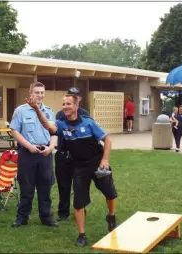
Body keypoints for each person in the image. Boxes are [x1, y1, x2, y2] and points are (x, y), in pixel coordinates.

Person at [27, 93, 118, 247]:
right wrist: (36, 108)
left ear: (76, 106)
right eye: (63, 104)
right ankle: (81, 234)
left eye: (68, 104)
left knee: (109, 193)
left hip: (97, 163)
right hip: (79, 166)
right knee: (78, 203)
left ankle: (111, 216)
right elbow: (47, 126)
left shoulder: (88, 123)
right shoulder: (61, 123)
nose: (65, 107)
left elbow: (107, 140)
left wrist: (105, 159)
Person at [9, 82, 58, 228]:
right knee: (26, 187)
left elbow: (54, 132)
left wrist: (51, 147)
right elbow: (14, 131)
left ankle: (46, 217)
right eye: (37, 92)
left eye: (42, 92)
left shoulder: (49, 112)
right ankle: (22, 217)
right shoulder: (21, 111)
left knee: (45, 186)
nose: (40, 95)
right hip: (28, 153)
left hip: (45, 154)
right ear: (30, 94)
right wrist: (29, 146)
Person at [54, 87, 90, 222]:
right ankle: (63, 212)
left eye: (74, 96)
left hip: (79, 156)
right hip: (63, 153)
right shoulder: (60, 114)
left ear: (78, 99)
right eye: (68, 95)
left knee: (80, 185)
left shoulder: (85, 114)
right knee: (63, 185)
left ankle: (80, 209)